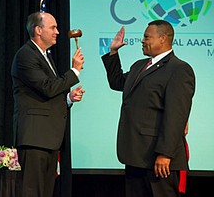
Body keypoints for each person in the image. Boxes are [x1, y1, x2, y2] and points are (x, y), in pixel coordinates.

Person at [101, 20, 195, 197]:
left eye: (146, 37)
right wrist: (113, 52)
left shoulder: (179, 69)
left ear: (162, 39)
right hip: (135, 155)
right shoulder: (139, 65)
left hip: (158, 160)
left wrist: (165, 154)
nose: (142, 41)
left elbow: (176, 116)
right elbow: (118, 82)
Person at [11, 11, 85, 197]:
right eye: (53, 27)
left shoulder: (44, 55)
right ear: (38, 30)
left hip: (48, 139)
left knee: (45, 192)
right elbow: (47, 87)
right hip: (35, 138)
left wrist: (68, 98)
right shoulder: (26, 55)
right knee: (32, 191)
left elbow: (47, 94)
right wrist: (74, 71)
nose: (58, 32)